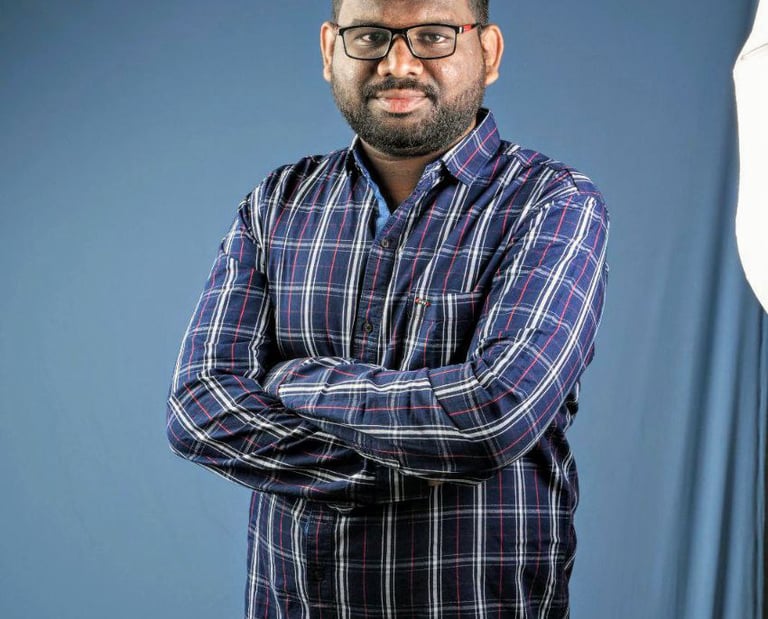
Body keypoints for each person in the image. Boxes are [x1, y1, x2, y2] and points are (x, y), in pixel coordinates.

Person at [166, 0, 608, 616]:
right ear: (330, 50)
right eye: (370, 36)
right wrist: (421, 468)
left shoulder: (553, 204)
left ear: (489, 51)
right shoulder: (276, 204)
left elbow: (493, 415)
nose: (398, 62)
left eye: (433, 35)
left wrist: (296, 381)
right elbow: (199, 409)